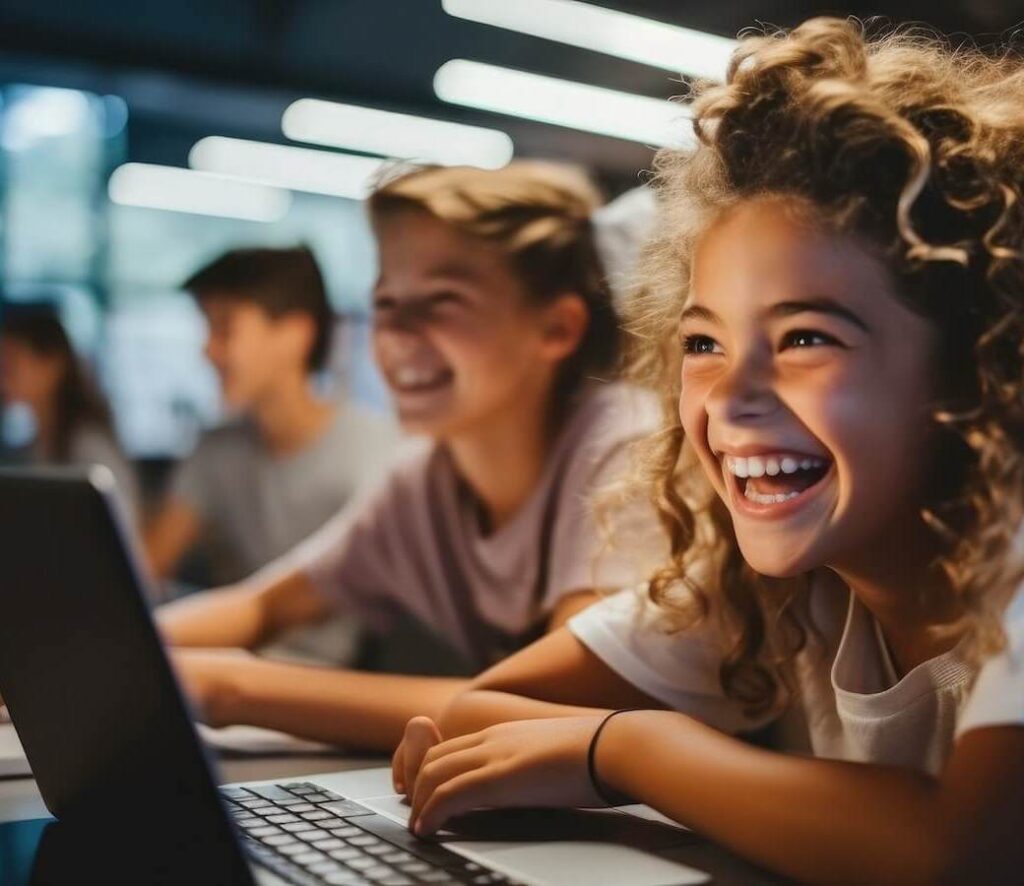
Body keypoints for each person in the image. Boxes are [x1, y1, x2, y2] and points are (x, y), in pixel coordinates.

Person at [392, 19, 1024, 883]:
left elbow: (965, 856)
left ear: (979, 366)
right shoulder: (769, 585)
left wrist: (632, 747)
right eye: (703, 344)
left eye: (805, 338)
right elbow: (476, 716)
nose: (729, 398)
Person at [158, 161, 664, 750]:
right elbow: (265, 606)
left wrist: (230, 686)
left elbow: (564, 713)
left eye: (443, 300)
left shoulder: (623, 440)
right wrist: (103, 654)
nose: (397, 337)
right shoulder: (425, 477)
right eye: (387, 304)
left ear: (556, 327)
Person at [144, 246, 399, 599]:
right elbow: (146, 566)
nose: (207, 350)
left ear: (294, 335)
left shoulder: (380, 453)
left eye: (225, 329)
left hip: (319, 654)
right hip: (226, 642)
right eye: (207, 328)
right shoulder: (215, 449)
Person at [0, 301, 139, 522]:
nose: (3, 377)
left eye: (11, 363)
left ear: (53, 364)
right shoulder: (32, 448)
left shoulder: (89, 447)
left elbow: (121, 532)